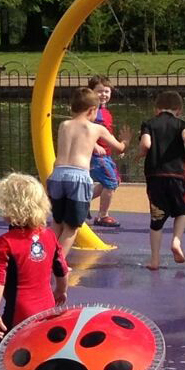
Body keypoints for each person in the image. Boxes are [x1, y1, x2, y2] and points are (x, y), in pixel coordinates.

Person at [0, 173, 68, 370]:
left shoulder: (5, 242)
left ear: (9, 208)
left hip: (18, 312)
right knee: (48, 358)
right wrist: (61, 292)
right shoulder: (49, 237)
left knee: (6, 359)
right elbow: (62, 270)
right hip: (46, 309)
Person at [50, 87, 125, 258]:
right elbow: (118, 147)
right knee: (72, 227)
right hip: (78, 177)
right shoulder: (96, 128)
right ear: (93, 110)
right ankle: (58, 262)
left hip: (58, 174)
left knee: (57, 222)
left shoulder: (64, 125)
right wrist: (125, 141)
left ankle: (47, 259)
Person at [140, 90, 185, 269]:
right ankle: (176, 241)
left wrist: (140, 153)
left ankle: (155, 260)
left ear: (156, 109)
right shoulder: (182, 124)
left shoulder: (149, 124)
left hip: (154, 177)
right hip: (176, 176)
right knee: (182, 210)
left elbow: (146, 144)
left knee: (156, 219)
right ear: (179, 110)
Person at [87, 75, 122, 227]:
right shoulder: (91, 111)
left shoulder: (106, 112)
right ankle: (103, 216)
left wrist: (117, 146)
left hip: (106, 154)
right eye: (99, 91)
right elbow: (84, 129)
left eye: (106, 91)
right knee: (111, 182)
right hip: (95, 155)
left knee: (113, 181)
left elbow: (107, 133)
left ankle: (82, 202)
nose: (104, 94)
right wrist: (94, 145)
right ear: (91, 93)